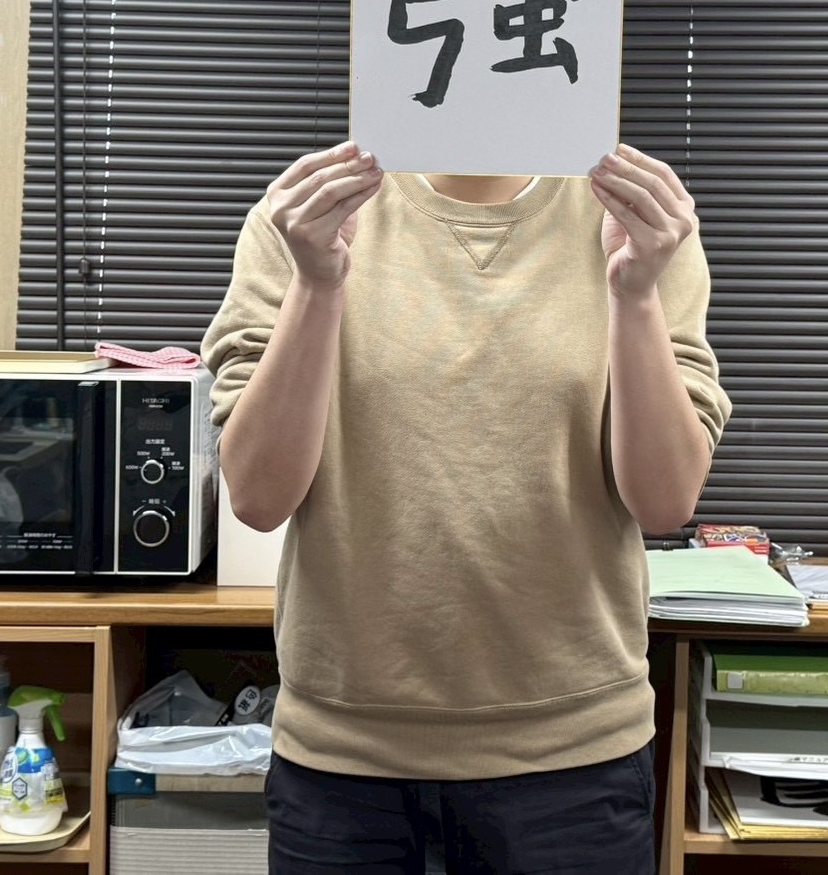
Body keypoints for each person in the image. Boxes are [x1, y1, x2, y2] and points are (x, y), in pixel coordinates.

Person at [200, 139, 731, 874]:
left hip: (573, 758)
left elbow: (665, 501)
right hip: (344, 761)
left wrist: (636, 293)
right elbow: (258, 498)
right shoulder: (307, 214)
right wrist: (318, 283)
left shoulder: (637, 219)